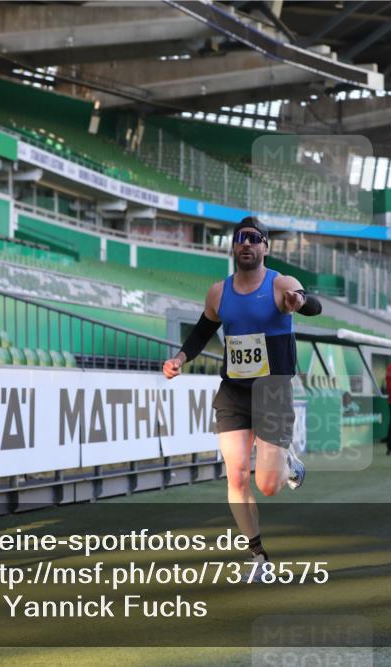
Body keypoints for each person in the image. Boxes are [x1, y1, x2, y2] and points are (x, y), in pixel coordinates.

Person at [161, 217, 322, 576]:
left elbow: (313, 305)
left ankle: (288, 464)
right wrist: (180, 358)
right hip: (233, 391)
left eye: (254, 239)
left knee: (267, 486)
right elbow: (204, 329)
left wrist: (300, 302)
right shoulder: (219, 292)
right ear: (233, 247)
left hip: (272, 390)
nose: (246, 244)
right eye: (240, 239)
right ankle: (258, 557)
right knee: (235, 477)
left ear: (265, 247)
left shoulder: (281, 284)